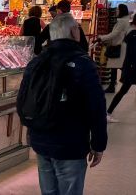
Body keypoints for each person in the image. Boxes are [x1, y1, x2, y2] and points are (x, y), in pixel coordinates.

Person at [17, 14, 107, 195]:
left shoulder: (36, 62)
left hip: (41, 140)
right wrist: (98, 144)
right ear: (74, 32)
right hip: (70, 143)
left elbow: (25, 99)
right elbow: (96, 107)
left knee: (48, 191)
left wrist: (30, 129)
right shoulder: (82, 64)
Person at [101, 4, 133, 93]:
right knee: (116, 67)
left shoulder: (122, 21)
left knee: (117, 66)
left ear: (122, 11)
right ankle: (112, 85)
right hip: (119, 46)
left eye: (118, 10)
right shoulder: (124, 21)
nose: (116, 11)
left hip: (118, 46)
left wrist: (102, 38)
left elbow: (114, 34)